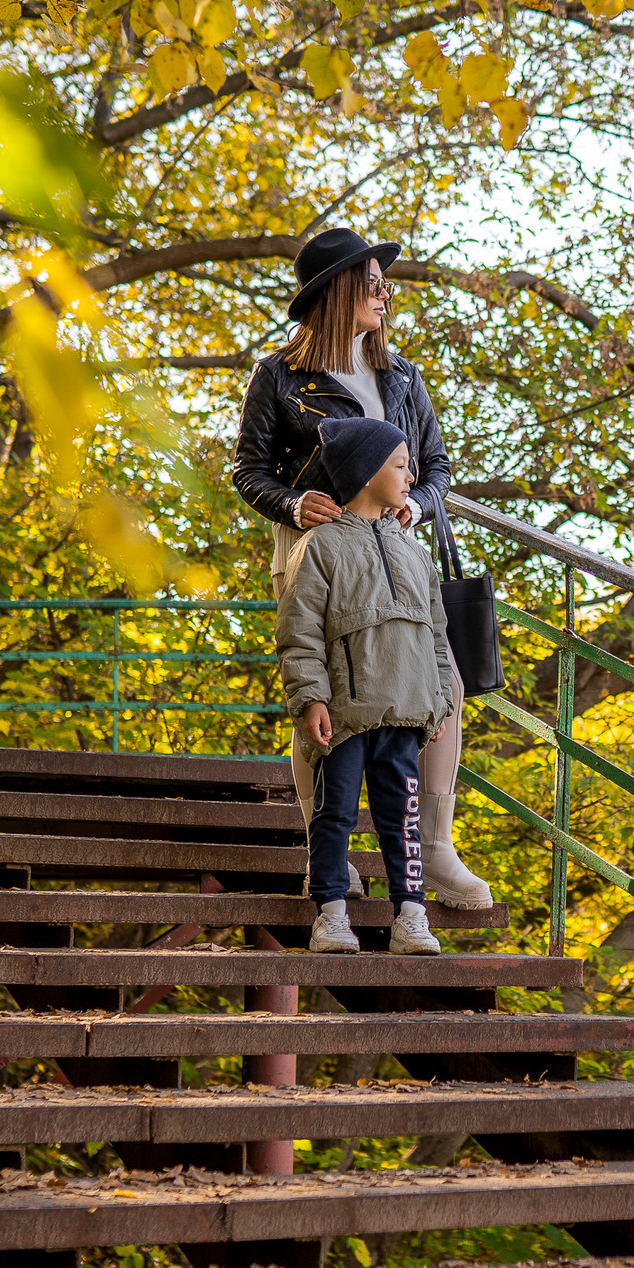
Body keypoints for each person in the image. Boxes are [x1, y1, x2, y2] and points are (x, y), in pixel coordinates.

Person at [231, 226, 494, 908]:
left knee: (441, 685)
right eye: (373, 284)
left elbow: (436, 468)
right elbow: (248, 471)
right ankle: (328, 851)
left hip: (396, 557)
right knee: (320, 694)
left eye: (385, 286)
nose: (384, 296)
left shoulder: (401, 375)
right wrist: (293, 503)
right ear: (339, 290)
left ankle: (435, 847)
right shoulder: (278, 375)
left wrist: (419, 506)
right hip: (316, 553)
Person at [276, 417, 453, 955]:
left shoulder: (415, 552)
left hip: (406, 713)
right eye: (400, 465)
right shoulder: (320, 546)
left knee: (403, 817)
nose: (411, 475)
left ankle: (411, 916)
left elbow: (437, 634)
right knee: (335, 813)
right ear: (368, 471)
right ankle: (330, 914)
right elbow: (299, 632)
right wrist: (311, 697)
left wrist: (440, 700)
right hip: (347, 714)